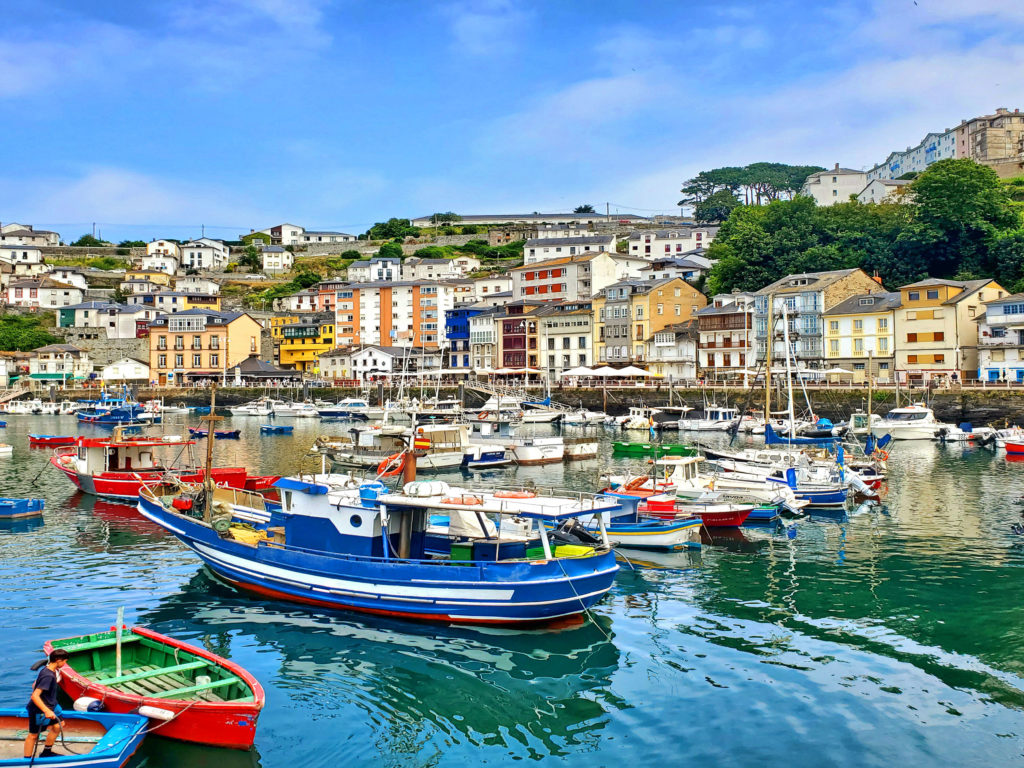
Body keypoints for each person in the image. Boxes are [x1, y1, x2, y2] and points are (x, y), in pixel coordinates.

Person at [24, 648, 69, 759]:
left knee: (58, 725)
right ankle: (27, 759)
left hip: (52, 705)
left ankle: (46, 752)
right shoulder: (48, 676)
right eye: (64, 661)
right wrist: (46, 710)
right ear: (58, 660)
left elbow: (34, 686)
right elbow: (35, 696)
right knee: (33, 735)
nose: (65, 664)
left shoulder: (49, 670)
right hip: (39, 709)